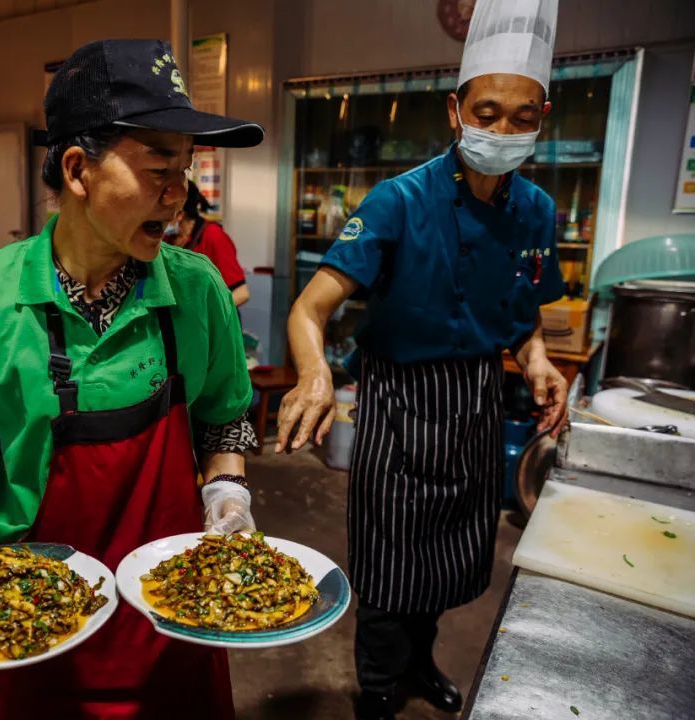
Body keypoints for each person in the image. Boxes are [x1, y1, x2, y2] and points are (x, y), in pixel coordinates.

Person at [0, 39, 263, 720]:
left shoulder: (198, 290)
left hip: (175, 608)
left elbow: (225, 416)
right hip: (36, 615)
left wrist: (227, 492)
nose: (180, 195)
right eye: (158, 168)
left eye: (186, 168)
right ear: (78, 170)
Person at [275, 2, 568, 719]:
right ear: (455, 109)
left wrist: (536, 360)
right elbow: (309, 309)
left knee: (445, 571)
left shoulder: (535, 210)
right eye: (487, 112)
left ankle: (419, 667)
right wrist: (314, 372)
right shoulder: (397, 201)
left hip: (473, 404)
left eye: (520, 118)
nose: (501, 131)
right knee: (388, 575)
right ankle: (377, 690)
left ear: (542, 118)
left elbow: (523, 317)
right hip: (400, 408)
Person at [166, 181, 250, 306]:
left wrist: (207, 317)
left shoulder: (212, 236)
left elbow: (241, 293)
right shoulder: (167, 239)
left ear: (179, 215)